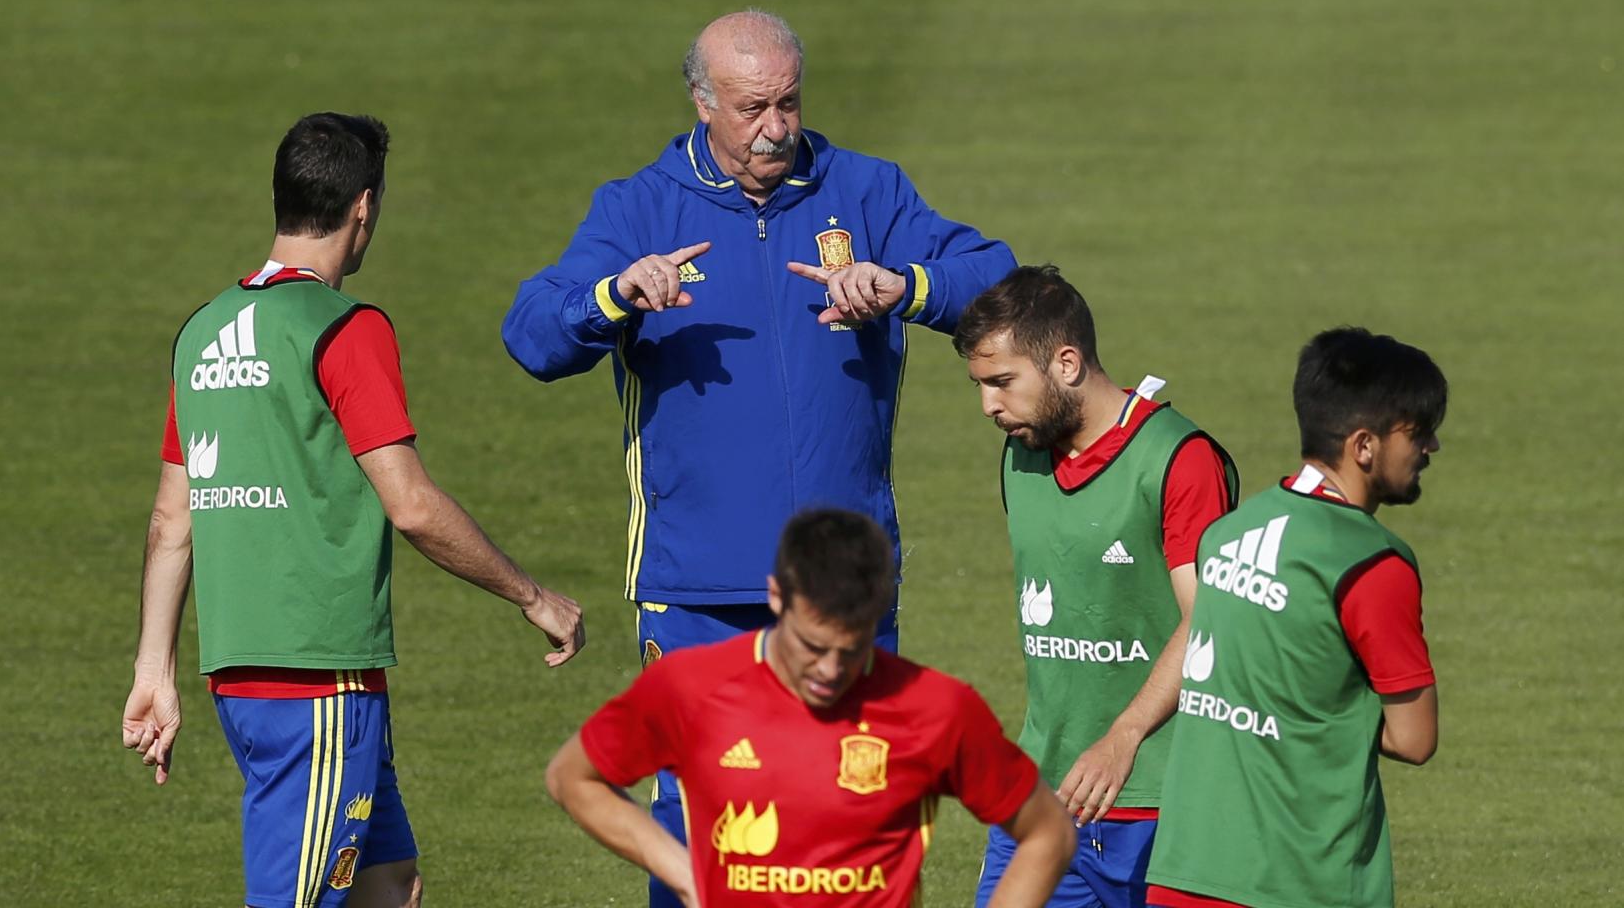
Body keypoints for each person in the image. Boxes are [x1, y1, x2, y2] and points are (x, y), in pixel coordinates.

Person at [500, 8, 1017, 902]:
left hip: (843, 586)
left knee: (850, 817)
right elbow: (532, 335)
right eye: (751, 108)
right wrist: (617, 294)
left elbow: (995, 276)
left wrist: (906, 286)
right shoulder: (638, 208)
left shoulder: (867, 191)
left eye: (788, 102)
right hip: (701, 588)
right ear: (702, 102)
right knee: (704, 821)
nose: (776, 128)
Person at [121, 112, 585, 908]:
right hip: (319, 687)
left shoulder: (201, 334)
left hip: (243, 678)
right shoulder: (346, 330)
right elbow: (410, 505)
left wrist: (153, 670)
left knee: (387, 883)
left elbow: (173, 519)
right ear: (363, 208)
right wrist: (532, 596)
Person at [546, 508, 1075, 907]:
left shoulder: (935, 708)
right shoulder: (691, 687)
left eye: (851, 650)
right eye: (813, 647)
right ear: (776, 597)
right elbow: (574, 777)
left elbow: (1047, 830)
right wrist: (684, 873)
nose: (829, 670)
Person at [952, 266, 1239, 908]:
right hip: (1046, 797)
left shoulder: (1177, 459)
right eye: (979, 386)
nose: (989, 406)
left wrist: (1123, 737)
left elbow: (1210, 621)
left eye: (1003, 383)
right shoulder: (1022, 451)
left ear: (1068, 362)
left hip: (1161, 803)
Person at [1144, 327, 1445, 908]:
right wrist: (1322, 709)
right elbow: (1414, 738)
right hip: (1299, 879)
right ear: (1365, 445)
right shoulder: (1371, 563)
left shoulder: (1228, 534)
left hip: (1184, 870)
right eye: (1419, 430)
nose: (1431, 446)